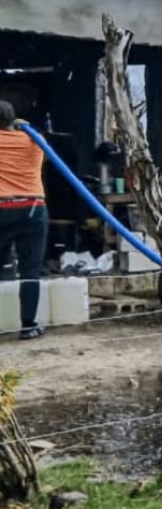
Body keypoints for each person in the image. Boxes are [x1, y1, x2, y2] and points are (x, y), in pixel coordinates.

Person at [0, 100, 48, 340]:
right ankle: (28, 326)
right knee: (31, 269)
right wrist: (25, 127)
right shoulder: (35, 140)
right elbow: (43, 160)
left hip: (1, 207)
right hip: (32, 207)